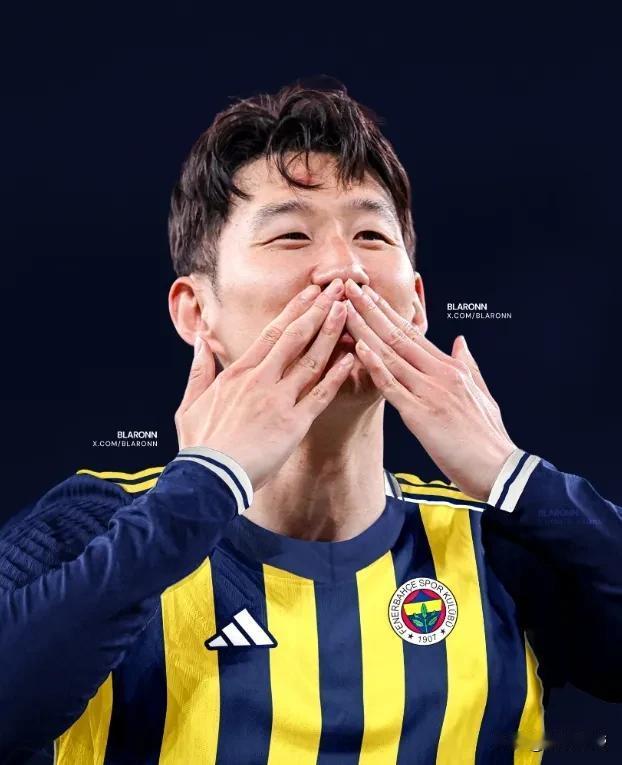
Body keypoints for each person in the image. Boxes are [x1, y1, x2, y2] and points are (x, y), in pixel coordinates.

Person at [1, 81, 620, 765]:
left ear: (416, 307)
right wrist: (205, 484)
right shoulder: (91, 529)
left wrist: (513, 476)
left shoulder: (500, 548)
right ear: (196, 313)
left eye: (371, 235)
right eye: (292, 235)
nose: (344, 269)